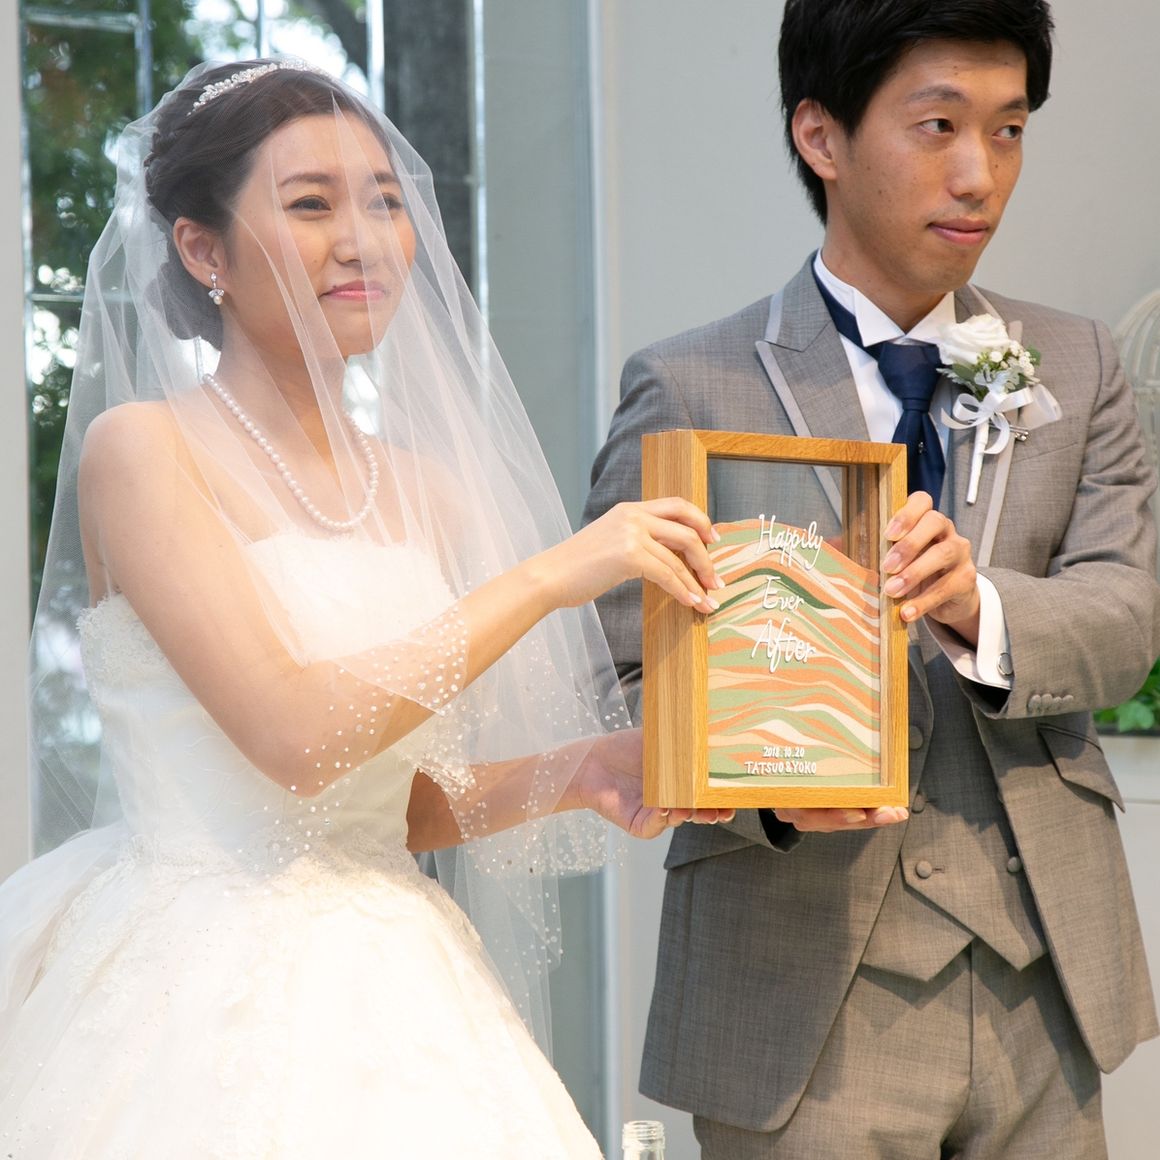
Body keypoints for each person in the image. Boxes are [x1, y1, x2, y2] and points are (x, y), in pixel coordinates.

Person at [0, 59, 732, 1156]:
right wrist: (548, 576)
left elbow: (391, 807)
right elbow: (294, 735)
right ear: (202, 250)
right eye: (311, 205)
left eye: (385, 203)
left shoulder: (427, 492)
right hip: (194, 979)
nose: (364, 241)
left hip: (401, 972)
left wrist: (583, 767)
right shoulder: (143, 451)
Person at [584, 2, 1160, 1156]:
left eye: (1006, 130)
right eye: (937, 124)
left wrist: (977, 605)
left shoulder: (1078, 360)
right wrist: (756, 780)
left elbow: (1126, 615)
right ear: (821, 135)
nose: (978, 174)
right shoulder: (688, 383)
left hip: (1040, 977)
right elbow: (620, 676)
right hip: (795, 993)